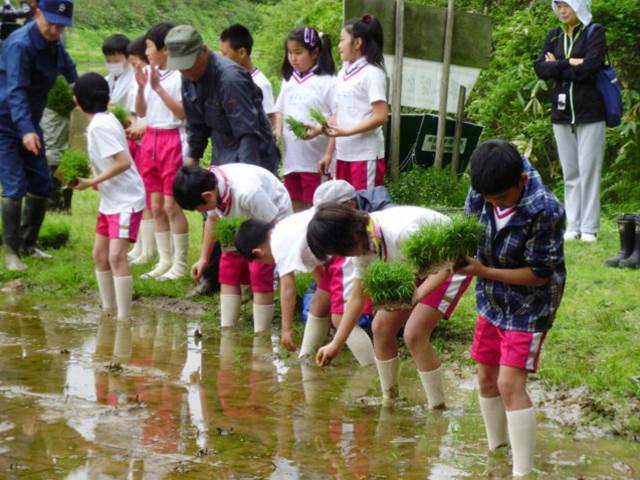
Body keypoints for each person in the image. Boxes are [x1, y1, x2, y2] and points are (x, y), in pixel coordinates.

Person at [458, 140, 566, 477]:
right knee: (486, 377)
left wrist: (484, 271)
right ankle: (496, 452)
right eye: (489, 200)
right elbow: (465, 235)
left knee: (509, 384)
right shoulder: (482, 191)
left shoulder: (545, 209)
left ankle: (521, 472)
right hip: (491, 300)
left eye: (501, 199)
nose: (493, 204)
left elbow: (539, 274)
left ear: (520, 180)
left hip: (529, 305)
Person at [306, 203, 471, 410]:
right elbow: (357, 298)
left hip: (451, 263)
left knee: (414, 333)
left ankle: (437, 407)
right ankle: (390, 399)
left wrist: (415, 296)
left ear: (353, 233)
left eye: (346, 249)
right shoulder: (364, 243)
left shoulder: (400, 232)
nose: (350, 255)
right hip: (415, 268)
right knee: (380, 327)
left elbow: (444, 268)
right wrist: (336, 344)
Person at [234, 180, 379, 366]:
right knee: (318, 304)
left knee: (339, 317)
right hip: (336, 255)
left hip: (345, 252)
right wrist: (327, 292)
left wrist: (286, 329)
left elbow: (288, 289)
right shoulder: (285, 229)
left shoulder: (278, 243)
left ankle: (371, 366)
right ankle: (306, 358)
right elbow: (317, 271)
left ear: (258, 253)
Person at [0, 0, 77, 271]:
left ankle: (28, 242)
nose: (55, 30)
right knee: (14, 186)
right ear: (37, 13)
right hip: (6, 124)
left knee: (41, 183)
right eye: (51, 22)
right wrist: (26, 130)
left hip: (30, 121)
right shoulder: (20, 45)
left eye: (61, 25)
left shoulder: (54, 42)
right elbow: (16, 91)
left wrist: (79, 89)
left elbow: (68, 67)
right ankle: (11, 252)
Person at [172, 165, 292, 333]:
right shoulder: (209, 185)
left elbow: (271, 226)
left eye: (199, 208)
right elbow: (212, 221)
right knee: (228, 267)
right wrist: (204, 259)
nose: (201, 212)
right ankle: (227, 328)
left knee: (260, 269)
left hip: (272, 217)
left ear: (207, 196)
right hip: (241, 219)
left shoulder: (248, 193)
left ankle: (261, 332)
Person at [71, 73, 146, 320]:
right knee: (99, 255)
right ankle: (108, 310)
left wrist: (92, 181)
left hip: (126, 199)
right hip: (111, 199)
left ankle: (124, 318)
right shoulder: (104, 119)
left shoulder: (100, 126)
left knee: (115, 256)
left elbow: (123, 162)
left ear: (78, 102)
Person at [533, 0, 606, 242]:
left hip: (590, 112)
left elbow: (590, 68)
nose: (563, 11)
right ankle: (572, 225)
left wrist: (558, 65)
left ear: (579, 6)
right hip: (561, 114)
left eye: (567, 5)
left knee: (589, 171)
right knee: (571, 172)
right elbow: (541, 68)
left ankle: (589, 228)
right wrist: (569, 62)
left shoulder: (594, 32)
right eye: (559, 6)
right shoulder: (554, 36)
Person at [165, 24, 279, 173]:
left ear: (204, 51)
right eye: (181, 67)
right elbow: (196, 124)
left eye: (189, 65)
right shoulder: (187, 76)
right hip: (223, 153)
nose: (186, 71)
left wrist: (248, 174)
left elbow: (248, 132)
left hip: (254, 155)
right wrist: (193, 156)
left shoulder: (231, 79)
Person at [135, 22, 189, 281]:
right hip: (150, 138)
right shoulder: (148, 72)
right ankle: (163, 260)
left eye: (149, 47)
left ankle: (179, 264)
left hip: (172, 139)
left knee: (171, 205)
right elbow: (142, 112)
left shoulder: (180, 76)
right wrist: (140, 86)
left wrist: (157, 88)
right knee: (155, 205)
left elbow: (182, 113)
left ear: (164, 49)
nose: (146, 52)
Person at [315, 15, 388, 190]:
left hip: (364, 155)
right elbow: (342, 114)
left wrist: (348, 132)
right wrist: (319, 131)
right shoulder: (343, 74)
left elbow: (381, 116)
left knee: (364, 208)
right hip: (343, 155)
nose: (339, 46)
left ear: (357, 43)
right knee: (344, 208)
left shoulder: (372, 73)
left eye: (342, 40)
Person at [274, 27, 336, 212]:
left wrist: (328, 153)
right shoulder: (289, 80)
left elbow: (337, 117)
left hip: (315, 162)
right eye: (290, 53)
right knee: (294, 205)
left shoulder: (327, 81)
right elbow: (279, 110)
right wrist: (278, 130)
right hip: (292, 160)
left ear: (315, 52)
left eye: (298, 53)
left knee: (316, 207)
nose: (293, 58)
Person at [124, 35, 156, 266]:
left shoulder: (157, 78)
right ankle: (142, 246)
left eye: (136, 62)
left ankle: (150, 250)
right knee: (140, 195)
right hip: (140, 139)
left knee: (153, 200)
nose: (135, 67)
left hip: (154, 141)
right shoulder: (140, 80)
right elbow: (137, 111)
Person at [219, 23, 276, 127]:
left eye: (225, 54)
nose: (222, 59)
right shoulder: (229, 80)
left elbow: (269, 120)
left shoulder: (261, 83)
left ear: (241, 53)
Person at [103, 33, 135, 113]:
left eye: (116, 61)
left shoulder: (134, 82)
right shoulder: (108, 80)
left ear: (128, 58)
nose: (112, 64)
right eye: (108, 61)